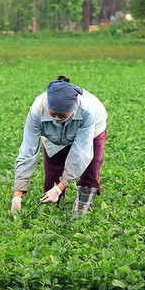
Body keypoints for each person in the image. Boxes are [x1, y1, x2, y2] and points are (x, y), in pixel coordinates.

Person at [11, 75, 108, 220]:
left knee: (90, 167)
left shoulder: (87, 111)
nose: (56, 118)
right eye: (53, 114)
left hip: (93, 129)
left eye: (62, 115)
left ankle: (83, 205)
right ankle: (54, 208)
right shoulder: (37, 110)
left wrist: (60, 186)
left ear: (73, 108)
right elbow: (28, 151)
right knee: (53, 167)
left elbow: (81, 152)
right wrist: (17, 195)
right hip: (54, 134)